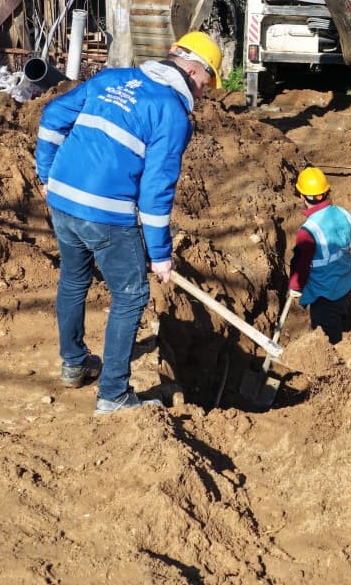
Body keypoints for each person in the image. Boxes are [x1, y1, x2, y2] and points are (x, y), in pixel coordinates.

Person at [34, 31, 222, 415]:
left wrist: (47, 175)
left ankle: (74, 364)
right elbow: (155, 193)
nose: (204, 93)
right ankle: (114, 394)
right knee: (132, 294)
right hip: (105, 214)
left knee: (73, 279)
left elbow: (52, 116)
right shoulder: (172, 114)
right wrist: (160, 254)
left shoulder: (112, 78)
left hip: (63, 201)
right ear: (191, 68)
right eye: (206, 82)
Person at [285, 167, 351, 344]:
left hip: (324, 295)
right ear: (326, 191)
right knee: (340, 319)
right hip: (346, 284)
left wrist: (295, 286)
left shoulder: (308, 231)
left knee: (328, 342)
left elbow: (302, 266)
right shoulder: (344, 213)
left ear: (302, 196)